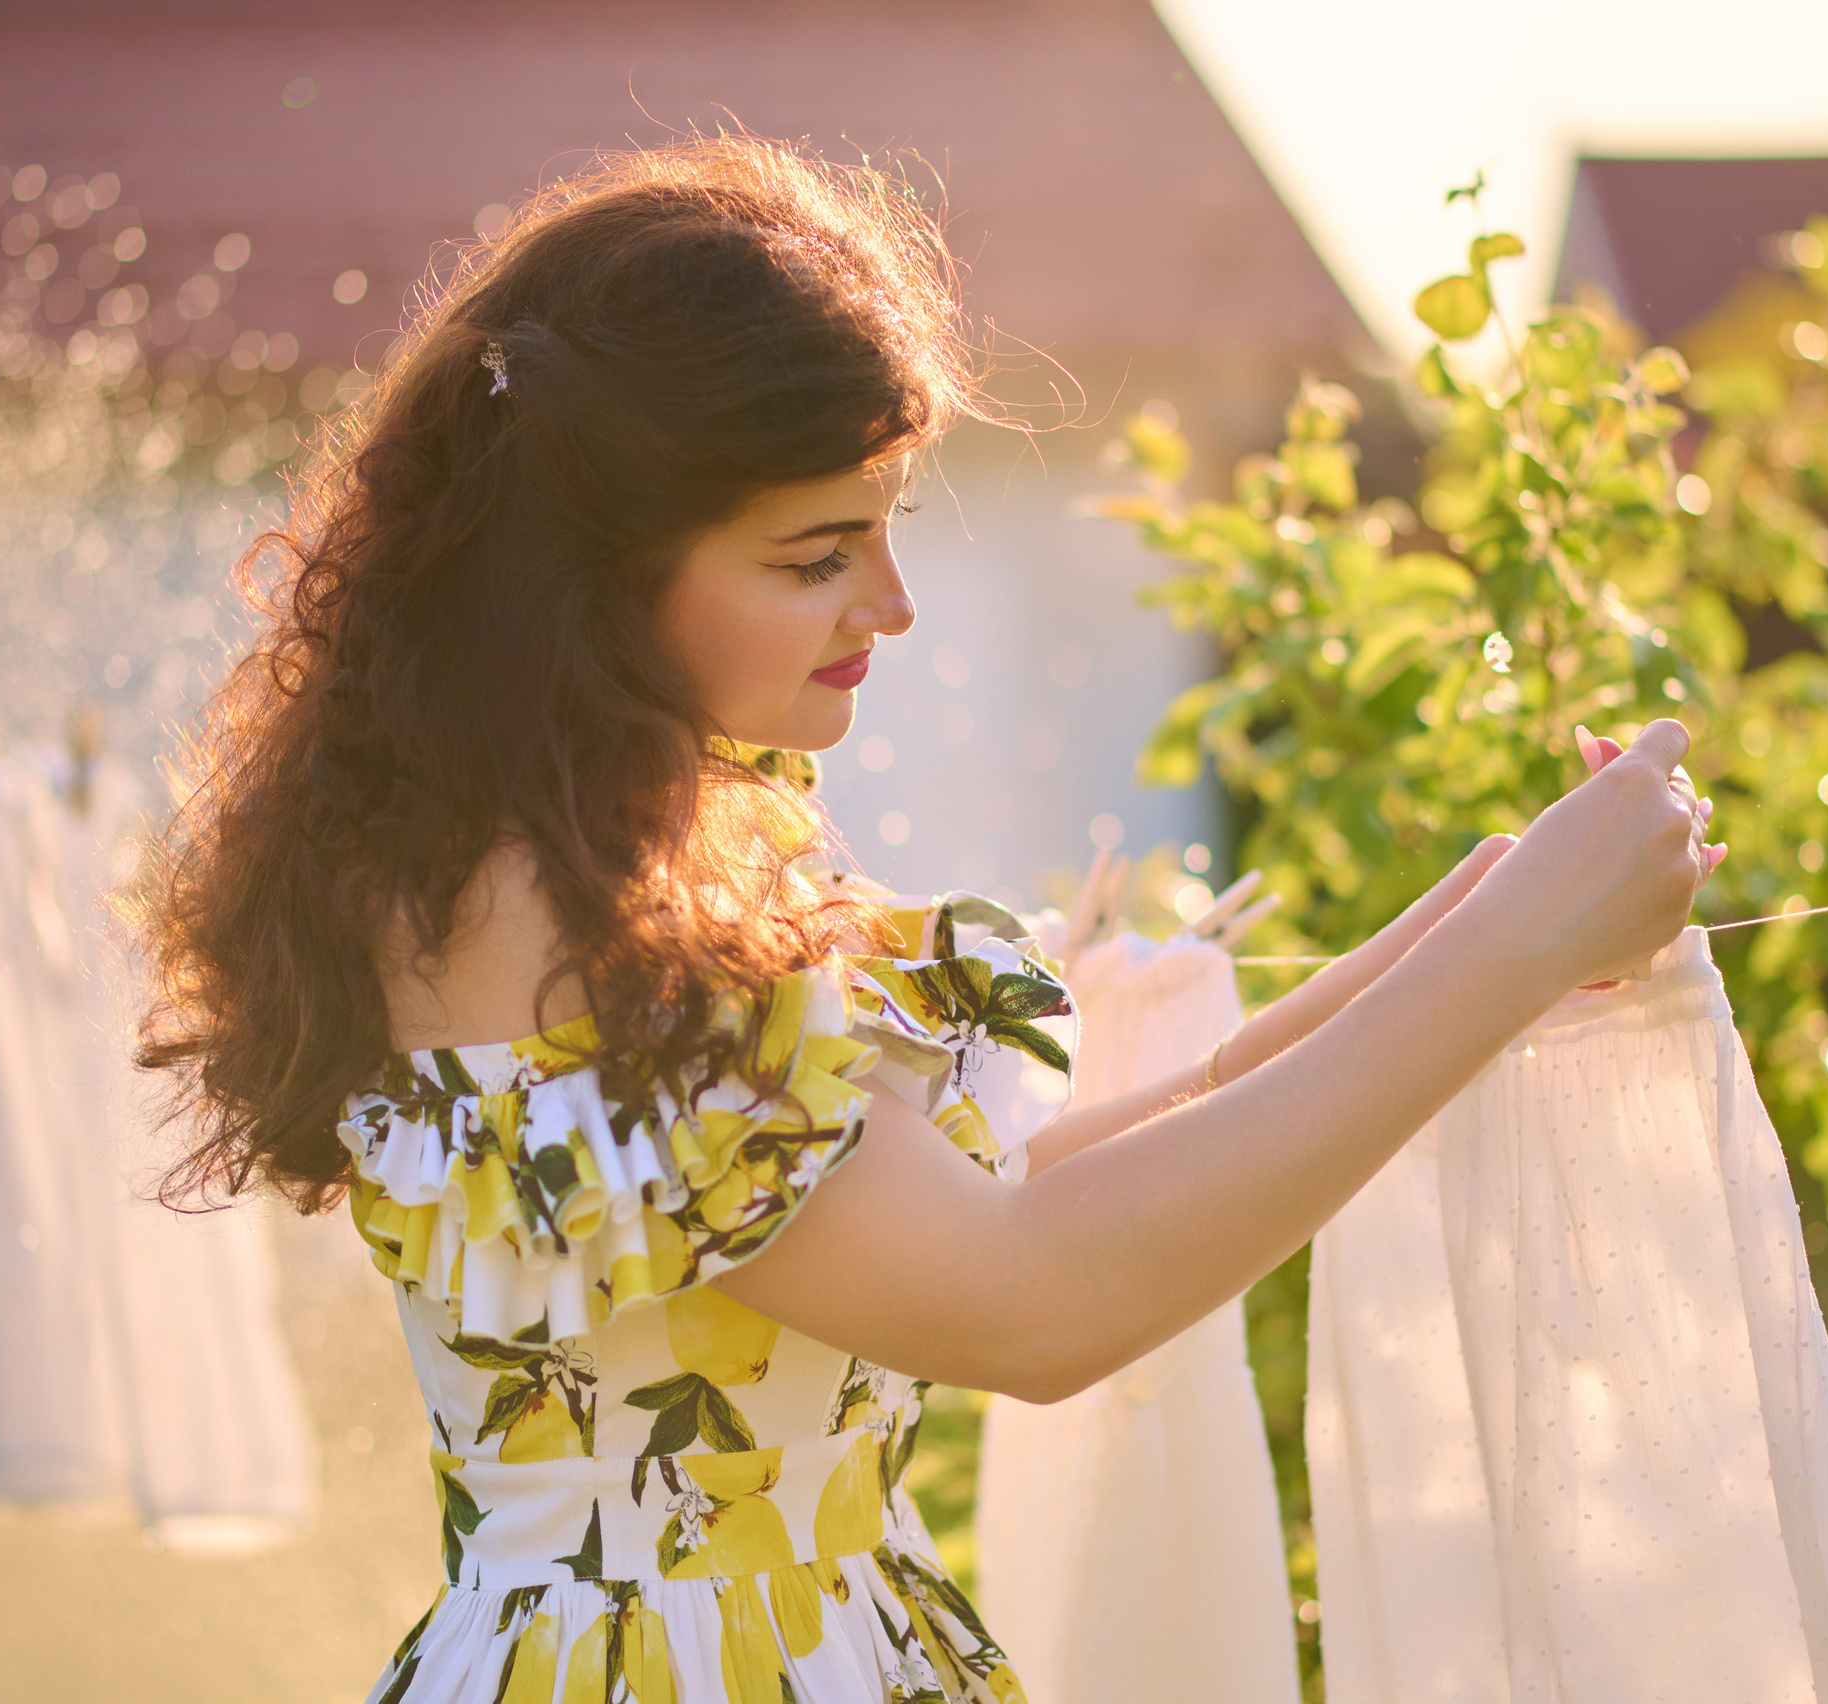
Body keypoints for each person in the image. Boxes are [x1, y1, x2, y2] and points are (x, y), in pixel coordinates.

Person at [136, 136, 1718, 1704]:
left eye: (888, 529)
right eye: (819, 554)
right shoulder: (536, 910)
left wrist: (1483, 938)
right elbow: (1031, 1299)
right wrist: (1508, 958)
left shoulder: (573, 849)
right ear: (590, 580)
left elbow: (1000, 1196)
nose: (889, 604)